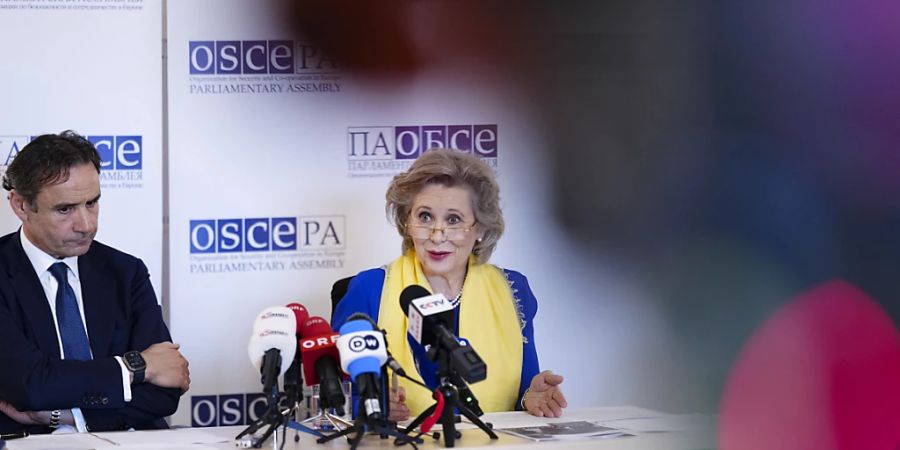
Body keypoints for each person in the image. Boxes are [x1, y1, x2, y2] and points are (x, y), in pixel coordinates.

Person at [332, 149, 567, 421]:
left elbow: (521, 386)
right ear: (407, 222)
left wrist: (530, 397)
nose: (437, 234)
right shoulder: (369, 289)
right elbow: (337, 396)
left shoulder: (514, 289)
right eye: (425, 217)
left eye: (453, 220)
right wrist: (370, 405)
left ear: (479, 229)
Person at [0, 131, 190, 434]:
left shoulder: (126, 272)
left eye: (92, 203)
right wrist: (133, 368)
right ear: (21, 206)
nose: (86, 224)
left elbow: (165, 391)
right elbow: (28, 385)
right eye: (65, 209)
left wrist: (64, 416)